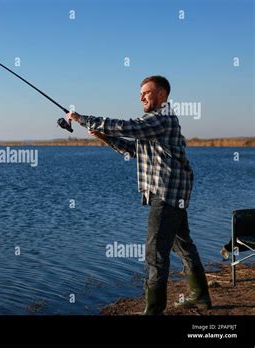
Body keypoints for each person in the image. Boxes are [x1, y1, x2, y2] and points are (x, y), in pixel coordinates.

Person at [67, 76, 212, 315]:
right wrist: (106, 138)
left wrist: (82, 119)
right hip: (172, 193)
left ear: (162, 95)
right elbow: (136, 149)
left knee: (155, 252)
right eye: (140, 93)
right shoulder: (156, 124)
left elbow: (128, 127)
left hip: (166, 193)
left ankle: (154, 310)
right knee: (183, 244)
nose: (141, 97)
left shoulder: (160, 118)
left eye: (146, 92)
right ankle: (200, 296)